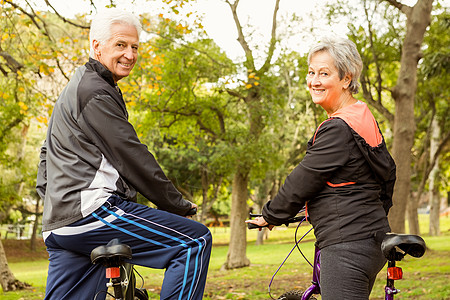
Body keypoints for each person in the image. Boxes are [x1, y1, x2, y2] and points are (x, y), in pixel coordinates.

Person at [36, 8, 212, 300]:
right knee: (194, 241)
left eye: (134, 47)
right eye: (120, 45)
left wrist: (54, 205)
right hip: (92, 213)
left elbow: (46, 155)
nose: (130, 54)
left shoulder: (77, 87)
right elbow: (132, 156)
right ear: (97, 46)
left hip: (60, 226)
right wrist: (177, 205)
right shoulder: (95, 91)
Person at [246, 36, 396, 299]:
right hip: (371, 237)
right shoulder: (362, 117)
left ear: (346, 79)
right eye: (311, 72)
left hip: (346, 246)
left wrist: (272, 215)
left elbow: (303, 179)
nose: (314, 81)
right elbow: (387, 176)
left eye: (324, 73)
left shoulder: (338, 128)